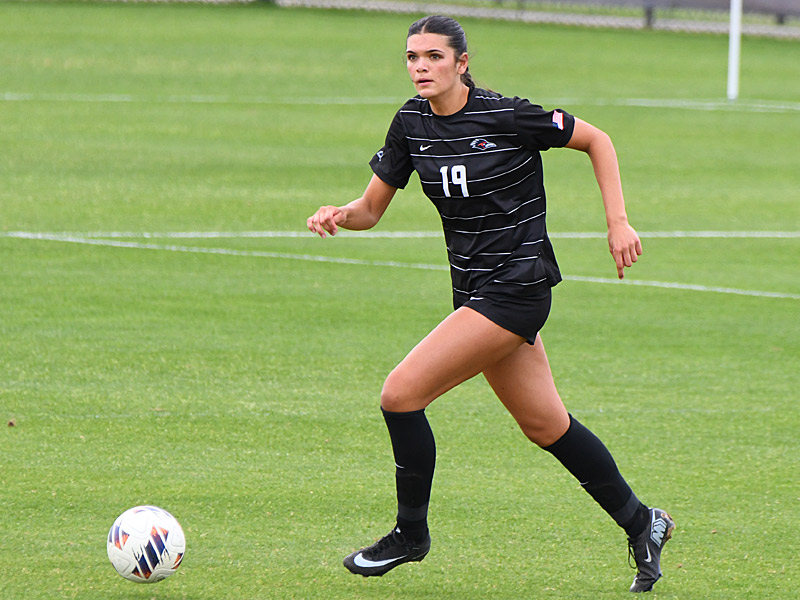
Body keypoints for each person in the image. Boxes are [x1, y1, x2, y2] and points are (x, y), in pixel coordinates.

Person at [307, 15, 674, 593]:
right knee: (545, 424)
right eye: (411, 57)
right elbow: (370, 210)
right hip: (475, 294)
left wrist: (618, 222)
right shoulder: (410, 124)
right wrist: (338, 214)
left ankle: (410, 535)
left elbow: (596, 140)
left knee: (400, 395)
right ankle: (642, 521)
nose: (421, 67)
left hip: (519, 289)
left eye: (433, 56)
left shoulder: (508, 115)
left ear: (462, 62)